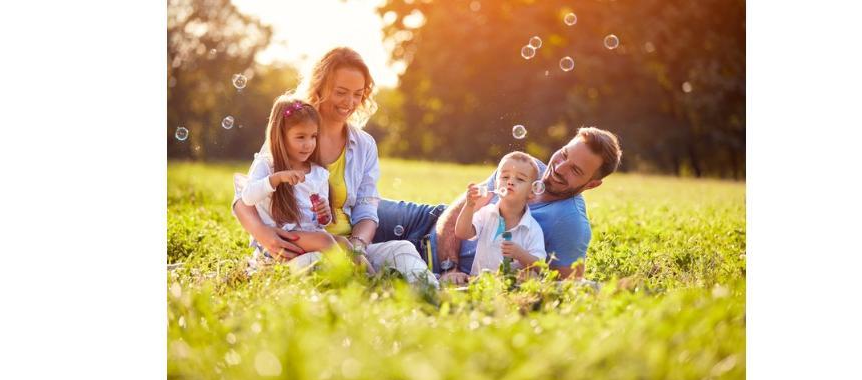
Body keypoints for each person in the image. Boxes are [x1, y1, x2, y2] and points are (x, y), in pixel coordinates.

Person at [233, 47, 436, 287]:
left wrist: (357, 247)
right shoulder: (292, 131)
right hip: (298, 249)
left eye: (358, 94)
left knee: (402, 249)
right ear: (320, 87)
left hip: (346, 247)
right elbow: (243, 197)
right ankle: (369, 288)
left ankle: (432, 294)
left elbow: (366, 209)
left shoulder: (364, 145)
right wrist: (263, 234)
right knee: (320, 265)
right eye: (341, 92)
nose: (350, 102)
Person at [372, 127, 623, 284]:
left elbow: (568, 284)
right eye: (564, 154)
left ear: (592, 184)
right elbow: (457, 211)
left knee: (362, 251)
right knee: (358, 210)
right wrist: (450, 266)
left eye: (575, 170)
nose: (559, 168)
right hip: (427, 220)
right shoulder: (525, 167)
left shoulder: (571, 222)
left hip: (431, 263)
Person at [234, 96, 369, 273]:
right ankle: (348, 277)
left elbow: (322, 222)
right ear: (280, 136)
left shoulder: (318, 173)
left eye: (313, 136)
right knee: (325, 241)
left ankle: (372, 278)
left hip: (308, 235)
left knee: (343, 242)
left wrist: (324, 215)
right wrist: (277, 178)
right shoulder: (267, 165)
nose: (308, 144)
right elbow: (247, 197)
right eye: (300, 137)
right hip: (281, 238)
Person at [454, 152, 547, 275]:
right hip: (481, 282)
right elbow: (461, 232)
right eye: (505, 177)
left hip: (511, 286)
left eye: (520, 179)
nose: (510, 182)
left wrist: (521, 254)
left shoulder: (532, 229)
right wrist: (469, 206)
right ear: (496, 184)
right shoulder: (486, 213)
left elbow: (541, 267)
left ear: (532, 192)